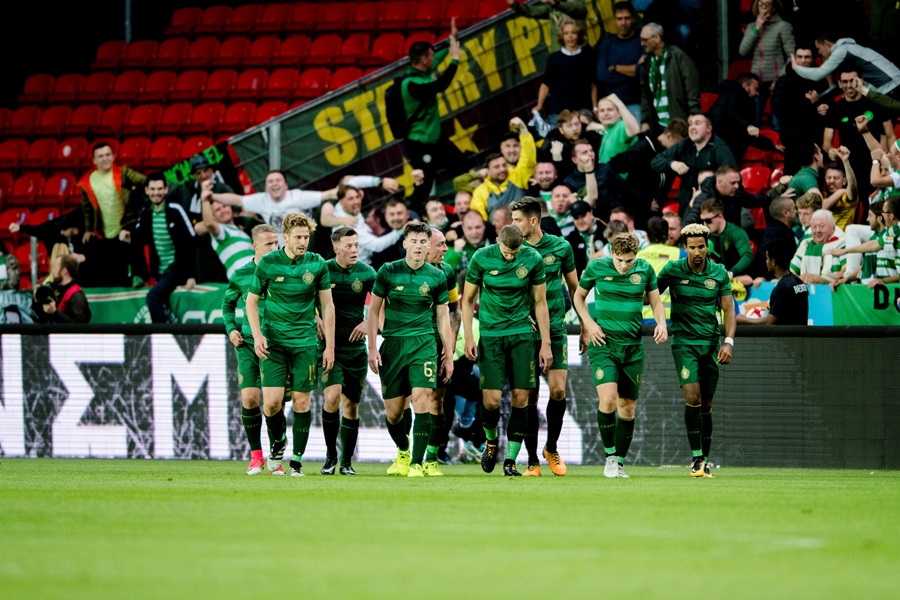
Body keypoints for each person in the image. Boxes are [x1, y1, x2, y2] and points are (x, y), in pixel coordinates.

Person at [246, 212, 335, 477]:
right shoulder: (269, 263)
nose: (303, 242)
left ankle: (296, 461)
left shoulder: (317, 264)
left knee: (301, 402)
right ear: (285, 237)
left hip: (305, 342)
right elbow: (251, 301)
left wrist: (329, 346)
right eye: (298, 237)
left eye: (306, 237)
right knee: (271, 404)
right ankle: (278, 443)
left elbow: (328, 306)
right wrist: (258, 335)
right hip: (273, 342)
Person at [574, 234, 667, 478]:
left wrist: (661, 323)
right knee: (608, 401)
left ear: (636, 255)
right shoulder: (596, 266)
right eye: (619, 260)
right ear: (611, 253)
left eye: (629, 260)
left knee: (628, 408)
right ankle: (610, 459)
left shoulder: (645, 269)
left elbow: (656, 303)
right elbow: (578, 297)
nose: (624, 265)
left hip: (633, 347)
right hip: (603, 344)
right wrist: (589, 324)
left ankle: (620, 463)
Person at [462, 224, 551, 476]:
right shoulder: (481, 257)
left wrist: (545, 342)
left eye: (515, 252)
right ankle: (491, 441)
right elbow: (467, 301)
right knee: (490, 401)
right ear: (498, 242)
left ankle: (510, 460)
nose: (511, 256)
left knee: (521, 399)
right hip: (490, 336)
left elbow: (540, 302)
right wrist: (470, 336)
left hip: (522, 335)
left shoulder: (533, 258)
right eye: (507, 252)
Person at [367, 222, 454, 478]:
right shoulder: (388, 271)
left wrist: (448, 354)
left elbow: (443, 318)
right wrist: (372, 347)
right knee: (394, 413)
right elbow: (373, 311)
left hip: (424, 343)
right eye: (413, 241)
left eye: (423, 242)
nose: (418, 246)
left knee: (422, 398)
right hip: (393, 344)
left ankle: (417, 463)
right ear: (405, 243)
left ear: (428, 246)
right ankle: (403, 451)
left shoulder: (437, 276)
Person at [510, 197, 583, 477]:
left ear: (533, 221)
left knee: (558, 390)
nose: (512, 225)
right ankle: (531, 461)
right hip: (523, 330)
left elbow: (576, 289)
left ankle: (550, 448)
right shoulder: (512, 249)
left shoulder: (561, 247)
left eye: (517, 220)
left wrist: (586, 325)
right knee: (529, 395)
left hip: (554, 327)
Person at [658, 223, 736, 478]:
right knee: (692, 397)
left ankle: (705, 460)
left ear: (707, 246)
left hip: (711, 343)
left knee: (707, 403)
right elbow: (651, 294)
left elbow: (728, 310)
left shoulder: (719, 273)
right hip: (683, 343)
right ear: (684, 248)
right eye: (691, 248)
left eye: (701, 246)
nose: (697, 252)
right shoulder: (672, 270)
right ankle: (696, 459)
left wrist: (728, 341)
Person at [221, 224, 280, 475]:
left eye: (276, 244)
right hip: (247, 343)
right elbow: (226, 305)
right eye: (269, 244)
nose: (274, 248)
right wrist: (231, 329)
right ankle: (256, 456)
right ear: (255, 245)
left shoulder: (285, 272)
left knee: (274, 404)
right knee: (250, 398)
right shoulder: (241, 274)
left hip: (278, 343)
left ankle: (277, 455)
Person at [319, 227, 377, 476]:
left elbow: (382, 306)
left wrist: (368, 322)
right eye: (349, 246)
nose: (355, 250)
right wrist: (315, 317)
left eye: (356, 245)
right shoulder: (322, 269)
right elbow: (306, 297)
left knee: (351, 407)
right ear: (336, 249)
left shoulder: (367, 273)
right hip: (329, 347)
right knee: (332, 397)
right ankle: (330, 455)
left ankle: (346, 462)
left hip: (355, 350)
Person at [400, 27, 466, 213]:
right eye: (430, 55)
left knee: (462, 166)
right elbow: (440, 85)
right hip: (420, 143)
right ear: (423, 60)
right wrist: (455, 59)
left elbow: (438, 57)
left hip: (436, 139)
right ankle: (412, 216)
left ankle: (467, 205)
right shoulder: (412, 84)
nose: (433, 58)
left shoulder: (423, 71)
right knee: (424, 185)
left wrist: (451, 39)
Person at [823, 69, 896, 206]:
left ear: (861, 81)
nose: (849, 85)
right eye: (845, 81)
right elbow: (827, 143)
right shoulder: (835, 109)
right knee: (852, 206)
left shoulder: (875, 104)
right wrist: (831, 150)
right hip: (849, 166)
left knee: (877, 205)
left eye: (853, 80)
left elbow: (891, 135)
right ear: (839, 84)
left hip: (874, 164)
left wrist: (888, 163)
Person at [78, 141, 147, 287]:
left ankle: (139, 276)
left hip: (127, 222)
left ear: (114, 156)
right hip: (104, 229)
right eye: (101, 156)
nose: (105, 158)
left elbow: (144, 181)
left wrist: (135, 191)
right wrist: (89, 229)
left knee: (133, 238)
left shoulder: (124, 172)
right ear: (94, 160)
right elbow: (87, 208)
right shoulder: (87, 182)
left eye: (108, 155)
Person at [132, 173, 197, 324]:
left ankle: (163, 335)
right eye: (153, 189)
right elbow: (137, 240)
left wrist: (191, 275)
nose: (156, 192)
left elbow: (191, 241)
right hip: (160, 272)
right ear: (147, 190)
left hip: (176, 268)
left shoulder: (176, 209)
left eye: (160, 188)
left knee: (152, 297)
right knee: (162, 300)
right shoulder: (145, 213)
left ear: (166, 189)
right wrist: (138, 273)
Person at [206, 170, 348, 237]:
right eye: (270, 181)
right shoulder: (261, 200)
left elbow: (326, 195)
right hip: (283, 252)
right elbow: (236, 200)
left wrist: (348, 189)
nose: (274, 184)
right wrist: (212, 196)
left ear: (286, 185)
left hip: (306, 245)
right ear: (266, 187)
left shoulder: (297, 196)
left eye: (278, 180)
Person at [167, 154, 236, 283]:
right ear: (194, 175)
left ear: (212, 170)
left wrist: (204, 226)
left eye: (206, 171)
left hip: (220, 241)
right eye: (198, 173)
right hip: (199, 246)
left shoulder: (222, 189)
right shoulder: (188, 190)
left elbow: (235, 215)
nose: (203, 175)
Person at [424, 228, 461, 467]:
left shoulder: (447, 272)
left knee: (437, 400)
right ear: (424, 246)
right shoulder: (398, 270)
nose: (445, 249)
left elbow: (454, 311)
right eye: (440, 244)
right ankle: (404, 451)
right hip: (410, 342)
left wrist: (450, 344)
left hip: (438, 344)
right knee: (404, 403)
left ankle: (430, 456)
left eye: (446, 244)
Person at [651, 114, 736, 213]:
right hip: (686, 206)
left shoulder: (720, 149)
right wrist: (672, 163)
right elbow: (655, 162)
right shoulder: (685, 144)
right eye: (690, 124)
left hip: (712, 209)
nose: (692, 127)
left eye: (697, 123)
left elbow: (732, 177)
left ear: (709, 128)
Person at [609, 118, 688, 225]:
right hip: (636, 212)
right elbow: (611, 169)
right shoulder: (641, 149)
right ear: (668, 136)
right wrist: (643, 202)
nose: (680, 149)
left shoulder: (673, 152)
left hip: (656, 212)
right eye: (678, 144)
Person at [771, 44, 829, 174]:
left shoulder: (821, 81)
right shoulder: (783, 82)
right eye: (800, 57)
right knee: (793, 181)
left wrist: (826, 109)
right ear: (794, 59)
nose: (803, 60)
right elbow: (781, 112)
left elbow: (828, 107)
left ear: (813, 59)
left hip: (815, 140)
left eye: (807, 57)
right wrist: (808, 102)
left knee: (815, 179)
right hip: (792, 141)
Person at [792, 34, 900, 98]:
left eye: (819, 49)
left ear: (826, 43)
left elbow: (818, 74)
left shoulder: (842, 51)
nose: (819, 53)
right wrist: (820, 97)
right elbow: (838, 85)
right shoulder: (847, 49)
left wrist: (795, 67)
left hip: (890, 86)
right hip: (890, 85)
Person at [639, 23, 701, 133]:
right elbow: (645, 95)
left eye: (645, 40)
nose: (642, 43)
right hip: (657, 124)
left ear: (657, 38)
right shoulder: (647, 63)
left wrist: (694, 114)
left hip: (678, 123)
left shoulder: (677, 56)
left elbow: (691, 86)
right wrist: (645, 120)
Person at [738, 0, 795, 119]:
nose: (763, 7)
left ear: (774, 7)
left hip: (775, 82)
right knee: (754, 120)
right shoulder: (751, 26)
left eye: (767, 4)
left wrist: (780, 80)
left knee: (776, 121)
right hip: (756, 83)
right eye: (760, 4)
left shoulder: (783, 26)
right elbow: (742, 51)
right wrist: (756, 28)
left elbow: (792, 57)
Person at [470, 118, 536, 221]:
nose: (502, 169)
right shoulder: (480, 192)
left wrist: (523, 130)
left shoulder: (516, 176)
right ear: (488, 171)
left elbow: (528, 158)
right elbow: (479, 218)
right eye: (496, 167)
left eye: (504, 165)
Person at [321, 185, 404, 266]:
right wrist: (401, 230)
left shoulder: (343, 208)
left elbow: (353, 182)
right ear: (342, 202)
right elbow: (377, 245)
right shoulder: (347, 229)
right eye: (351, 199)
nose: (356, 201)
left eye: (357, 197)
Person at [534, 16, 597, 121]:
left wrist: (595, 106)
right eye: (566, 33)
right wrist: (539, 105)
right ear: (562, 36)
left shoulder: (587, 56)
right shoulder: (554, 58)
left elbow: (593, 85)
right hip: (559, 111)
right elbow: (545, 84)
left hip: (583, 109)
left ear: (579, 35)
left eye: (573, 33)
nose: (570, 37)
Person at [709, 73, 781, 161]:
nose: (757, 93)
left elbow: (745, 133)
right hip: (725, 149)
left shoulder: (728, 96)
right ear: (745, 86)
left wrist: (771, 145)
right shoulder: (737, 97)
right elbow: (734, 113)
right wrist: (748, 125)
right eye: (755, 89)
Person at [738, 239, 809, 325]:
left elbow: (770, 322)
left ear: (773, 262)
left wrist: (743, 319)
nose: (766, 261)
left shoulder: (782, 288)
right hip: (801, 336)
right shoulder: (799, 282)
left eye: (767, 258)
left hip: (788, 337)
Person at [831, 200, 899, 288]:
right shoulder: (884, 236)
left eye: (870, 215)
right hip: (871, 290)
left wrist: (884, 281)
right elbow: (865, 264)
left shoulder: (894, 237)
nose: (867, 219)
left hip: (892, 291)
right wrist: (846, 279)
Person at [595, 2, 643, 125]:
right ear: (615, 21)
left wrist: (614, 68)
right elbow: (602, 74)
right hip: (613, 108)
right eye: (619, 19)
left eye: (627, 18)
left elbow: (641, 71)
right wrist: (630, 73)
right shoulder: (607, 45)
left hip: (637, 103)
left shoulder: (641, 41)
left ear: (633, 19)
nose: (623, 23)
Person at [199, 183, 255, 280]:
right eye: (217, 210)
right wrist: (205, 199)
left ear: (230, 207)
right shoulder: (221, 231)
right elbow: (209, 224)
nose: (223, 210)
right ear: (214, 217)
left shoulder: (242, 232)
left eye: (224, 206)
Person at [637, 216, 686, 319]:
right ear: (666, 235)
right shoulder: (680, 254)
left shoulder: (637, 256)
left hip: (642, 316)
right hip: (668, 318)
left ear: (647, 236)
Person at [697, 198, 754, 277]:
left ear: (720, 217)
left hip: (737, 278)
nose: (704, 224)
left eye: (708, 220)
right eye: (702, 221)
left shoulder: (736, 233)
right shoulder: (705, 235)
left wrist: (731, 272)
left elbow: (747, 256)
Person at [790, 209, 846, 284]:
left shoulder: (841, 244)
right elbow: (791, 272)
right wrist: (799, 279)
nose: (817, 230)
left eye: (822, 226)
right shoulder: (806, 244)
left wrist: (824, 279)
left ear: (833, 228)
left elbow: (846, 271)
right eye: (814, 227)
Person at [33, 255, 91, 323]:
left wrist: (55, 312)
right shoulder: (55, 288)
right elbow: (41, 316)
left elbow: (76, 326)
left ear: (64, 271)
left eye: (55, 267)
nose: (52, 271)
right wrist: (37, 300)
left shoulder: (76, 295)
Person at [751, 196, 798, 279]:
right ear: (786, 213)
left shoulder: (784, 230)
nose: (796, 211)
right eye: (794, 208)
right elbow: (763, 255)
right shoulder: (775, 233)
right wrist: (771, 277)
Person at [821, 148, 859, 231]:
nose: (831, 181)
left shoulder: (846, 196)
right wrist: (840, 191)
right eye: (829, 178)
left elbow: (852, 188)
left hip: (841, 239)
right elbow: (822, 207)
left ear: (844, 181)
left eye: (836, 178)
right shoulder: (823, 195)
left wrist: (846, 161)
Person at [596, 94, 641, 163]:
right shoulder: (608, 129)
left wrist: (619, 104)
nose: (606, 113)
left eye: (610, 110)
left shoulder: (621, 126)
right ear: (598, 115)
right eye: (602, 110)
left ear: (619, 113)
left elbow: (635, 130)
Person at [565, 200, 605, 276]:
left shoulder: (606, 234)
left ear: (591, 213)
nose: (580, 221)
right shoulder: (570, 241)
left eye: (583, 215)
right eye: (576, 217)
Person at [507, 0, 586, 21]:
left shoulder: (577, 3)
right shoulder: (550, 7)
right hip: (559, 53)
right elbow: (532, 11)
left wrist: (555, 3)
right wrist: (515, 5)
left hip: (580, 51)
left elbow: (580, 10)